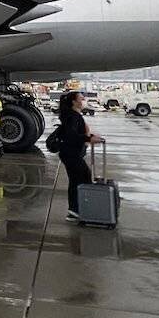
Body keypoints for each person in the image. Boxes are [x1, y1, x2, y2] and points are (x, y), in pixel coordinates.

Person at [57, 90, 104, 222]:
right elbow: (71, 136)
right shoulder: (73, 116)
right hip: (71, 154)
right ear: (74, 102)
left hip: (71, 153)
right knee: (81, 178)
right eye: (81, 99)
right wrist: (88, 138)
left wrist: (89, 137)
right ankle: (76, 210)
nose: (83, 101)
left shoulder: (72, 115)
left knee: (78, 179)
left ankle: (76, 210)